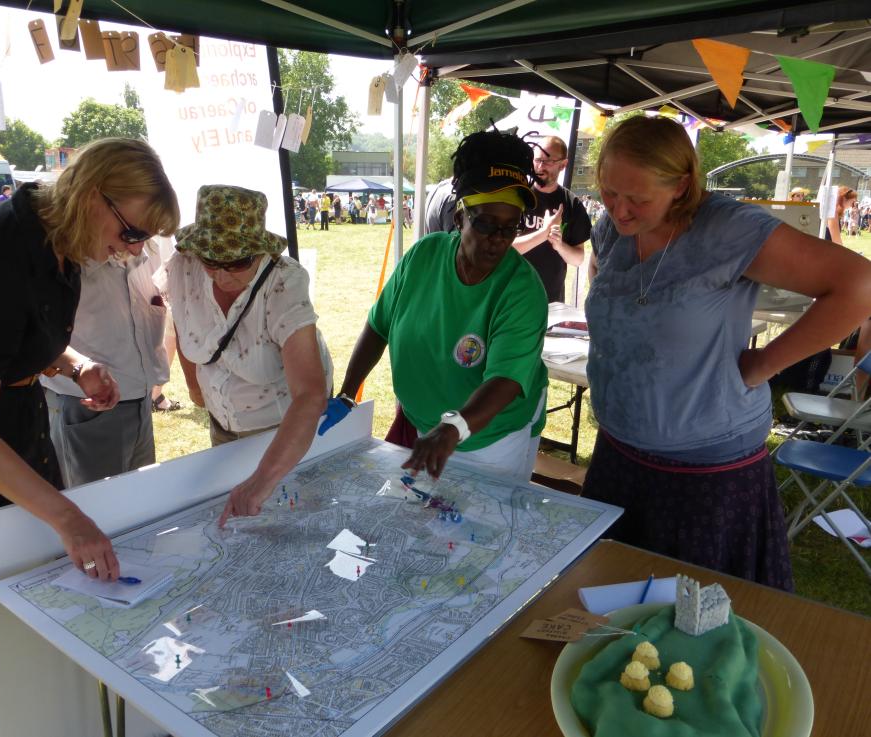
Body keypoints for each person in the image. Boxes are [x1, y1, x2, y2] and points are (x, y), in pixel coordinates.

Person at [0, 138, 179, 737]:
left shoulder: (62, 238)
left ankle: (37, 716)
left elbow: (26, 336)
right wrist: (70, 518)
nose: (135, 249)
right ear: (93, 196)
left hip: (13, 414)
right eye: (132, 233)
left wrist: (74, 365)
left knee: (26, 578)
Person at [582, 116, 871, 591]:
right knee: (611, 612)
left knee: (694, 631)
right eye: (610, 193)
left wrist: (764, 365)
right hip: (619, 457)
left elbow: (857, 287)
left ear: (681, 185)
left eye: (637, 199)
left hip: (706, 476)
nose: (620, 210)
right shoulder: (613, 229)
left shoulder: (727, 229)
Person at [321, 130, 549, 480]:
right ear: (459, 217)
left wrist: (453, 427)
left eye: (510, 226)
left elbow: (504, 381)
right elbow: (379, 325)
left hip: (489, 443)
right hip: (427, 428)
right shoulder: (423, 256)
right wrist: (348, 393)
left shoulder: (521, 289)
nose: (498, 239)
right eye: (486, 223)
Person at [158, 185, 332, 528]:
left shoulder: (284, 283)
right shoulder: (183, 266)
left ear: (258, 251)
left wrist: (262, 479)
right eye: (211, 260)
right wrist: (196, 388)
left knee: (282, 521)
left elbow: (310, 395)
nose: (222, 276)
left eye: (237, 262)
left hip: (279, 428)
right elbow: (181, 324)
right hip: (224, 421)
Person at [41, 234, 173, 488]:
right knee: (97, 508)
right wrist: (78, 369)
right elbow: (37, 335)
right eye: (132, 234)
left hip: (140, 402)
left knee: (139, 501)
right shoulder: (66, 259)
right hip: (86, 409)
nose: (137, 248)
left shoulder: (145, 250)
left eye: (146, 235)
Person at [512, 135, 591, 303]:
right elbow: (504, 249)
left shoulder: (572, 204)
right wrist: (543, 233)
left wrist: (559, 245)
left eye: (547, 162)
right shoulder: (516, 196)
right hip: (510, 296)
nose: (540, 167)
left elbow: (578, 259)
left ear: (563, 164)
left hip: (550, 301)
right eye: (537, 160)